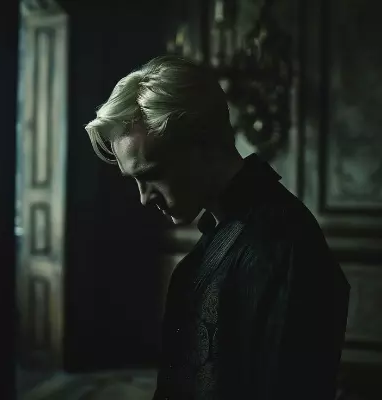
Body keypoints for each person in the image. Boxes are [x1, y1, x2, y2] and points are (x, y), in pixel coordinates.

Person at [85, 55, 350, 400]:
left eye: (151, 175)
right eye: (134, 181)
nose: (143, 198)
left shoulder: (280, 244)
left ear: (201, 145)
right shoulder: (226, 230)